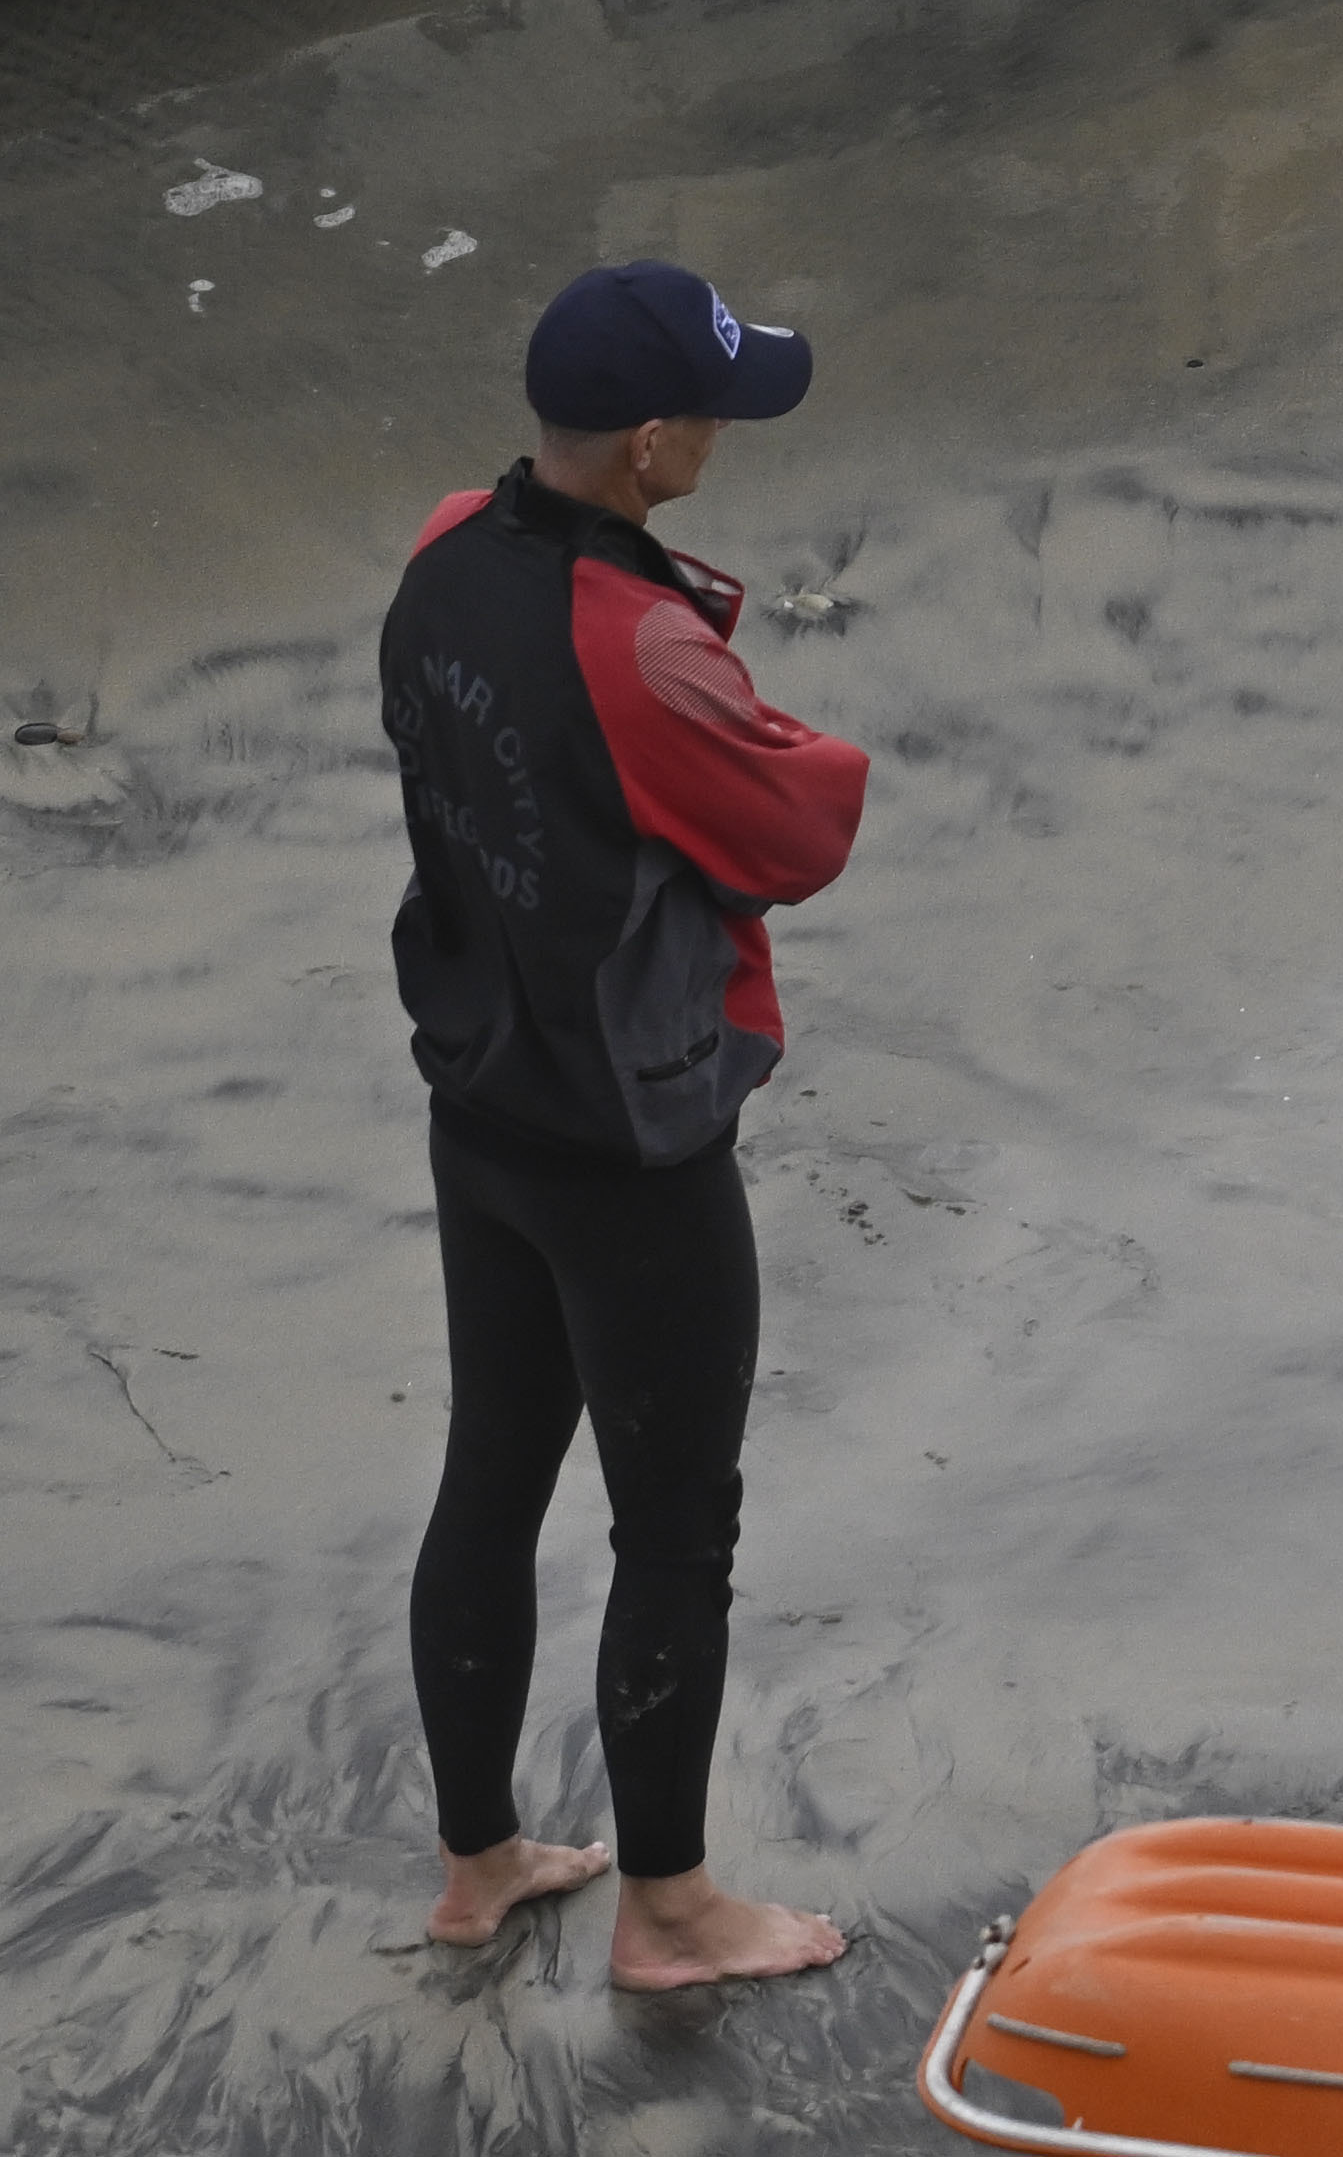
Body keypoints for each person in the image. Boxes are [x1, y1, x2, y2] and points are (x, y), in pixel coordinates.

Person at [378, 258, 868, 1988]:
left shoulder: (448, 547)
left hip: (483, 1110)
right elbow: (799, 828)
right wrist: (766, 721)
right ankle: (669, 1912)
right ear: (653, 444)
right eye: (717, 411)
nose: (729, 430)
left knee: (489, 1478)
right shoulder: (643, 643)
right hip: (633, 1157)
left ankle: (477, 1861)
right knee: (675, 1531)